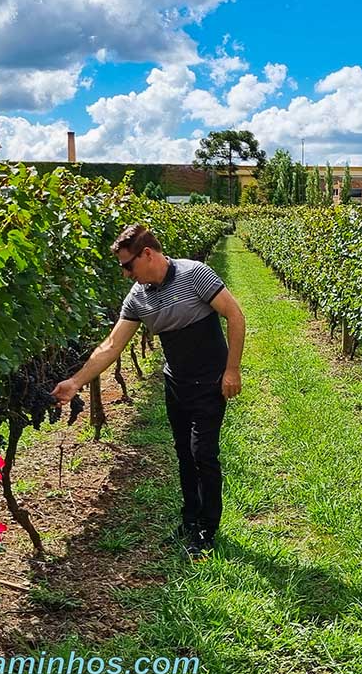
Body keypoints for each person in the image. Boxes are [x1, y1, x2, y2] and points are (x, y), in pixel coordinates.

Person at [51, 225, 245, 559]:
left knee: (204, 456)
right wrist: (75, 381)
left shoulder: (194, 274)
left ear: (147, 254)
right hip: (176, 384)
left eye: (128, 266)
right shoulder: (138, 298)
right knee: (184, 453)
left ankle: (207, 530)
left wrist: (232, 369)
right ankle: (190, 520)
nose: (126, 274)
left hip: (210, 382)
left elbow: (235, 315)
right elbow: (112, 345)